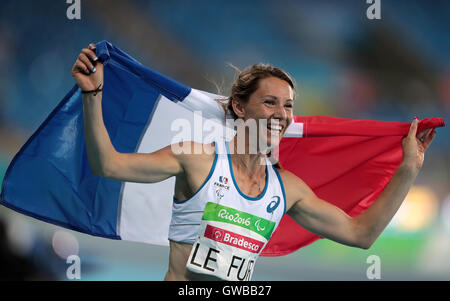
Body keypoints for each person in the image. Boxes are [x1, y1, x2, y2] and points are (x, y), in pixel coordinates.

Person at [72, 43, 436, 281]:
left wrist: (408, 170)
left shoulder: (287, 189)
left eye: (289, 105)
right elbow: (109, 165)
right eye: (270, 102)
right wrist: (93, 95)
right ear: (239, 107)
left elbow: (362, 234)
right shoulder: (196, 159)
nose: (282, 114)